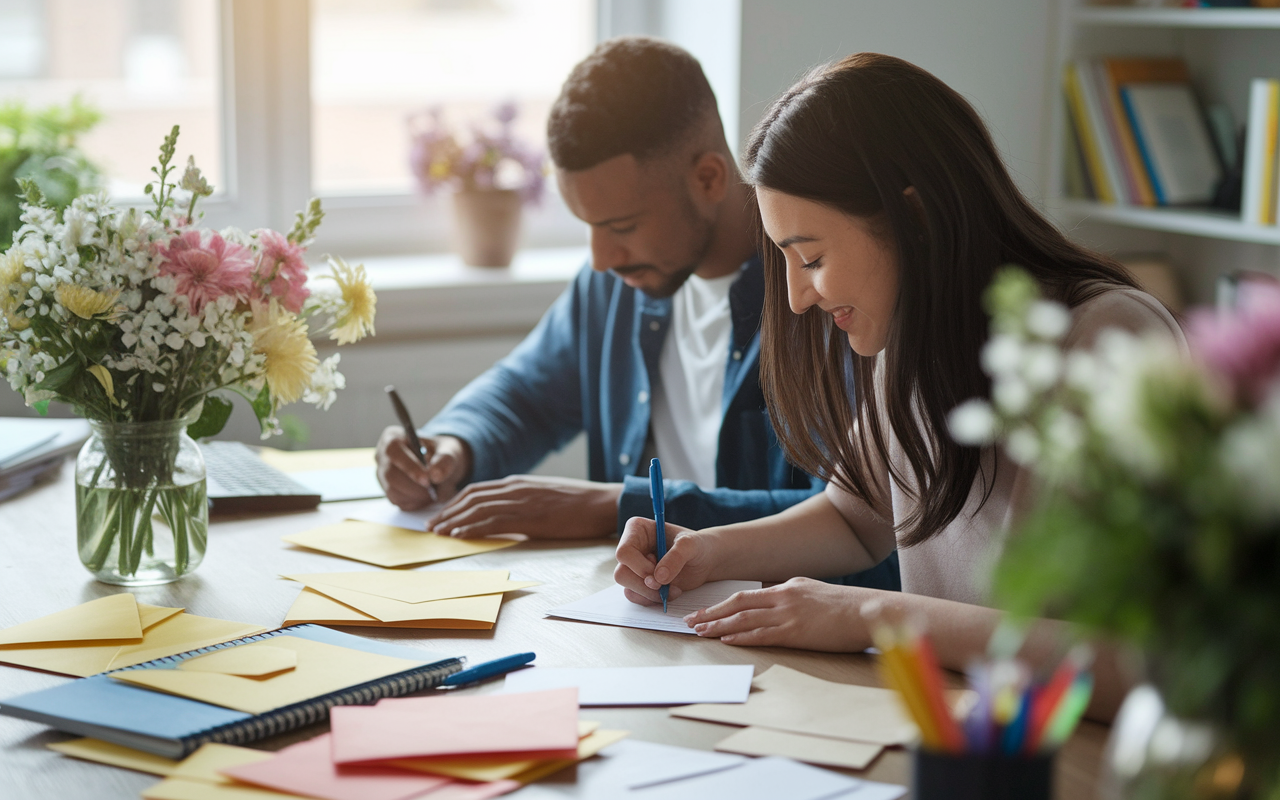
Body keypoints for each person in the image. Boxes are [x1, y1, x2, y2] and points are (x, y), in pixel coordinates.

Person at [613, 53, 1185, 717]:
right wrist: (709, 553)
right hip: (952, 730)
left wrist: (869, 614)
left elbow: (1142, 663)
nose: (797, 299)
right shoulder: (911, 337)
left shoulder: (1111, 342)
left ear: (913, 220)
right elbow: (856, 519)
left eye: (813, 258)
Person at [374, 38, 901, 588]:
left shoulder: (833, 296)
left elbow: (858, 527)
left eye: (622, 226)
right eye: (589, 226)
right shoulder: (616, 284)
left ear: (708, 179)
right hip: (645, 618)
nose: (601, 258)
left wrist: (616, 507)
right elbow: (526, 392)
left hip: (777, 632)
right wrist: (451, 446)